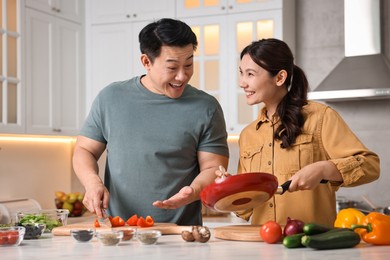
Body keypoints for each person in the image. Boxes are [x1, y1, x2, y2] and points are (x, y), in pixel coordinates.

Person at [72, 18, 229, 226]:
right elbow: (84, 149)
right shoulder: (110, 98)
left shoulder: (206, 107)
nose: (182, 76)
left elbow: (213, 168)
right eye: (172, 67)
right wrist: (92, 183)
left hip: (180, 234)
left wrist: (194, 191)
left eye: (189, 64)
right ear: (146, 62)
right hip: (119, 232)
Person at [233, 38, 380, 227]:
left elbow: (370, 166)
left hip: (311, 246)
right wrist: (229, 188)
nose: (242, 83)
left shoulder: (320, 117)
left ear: (279, 78)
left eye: (250, 74)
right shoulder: (248, 135)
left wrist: (324, 169)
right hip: (264, 247)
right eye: (241, 73)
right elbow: (244, 209)